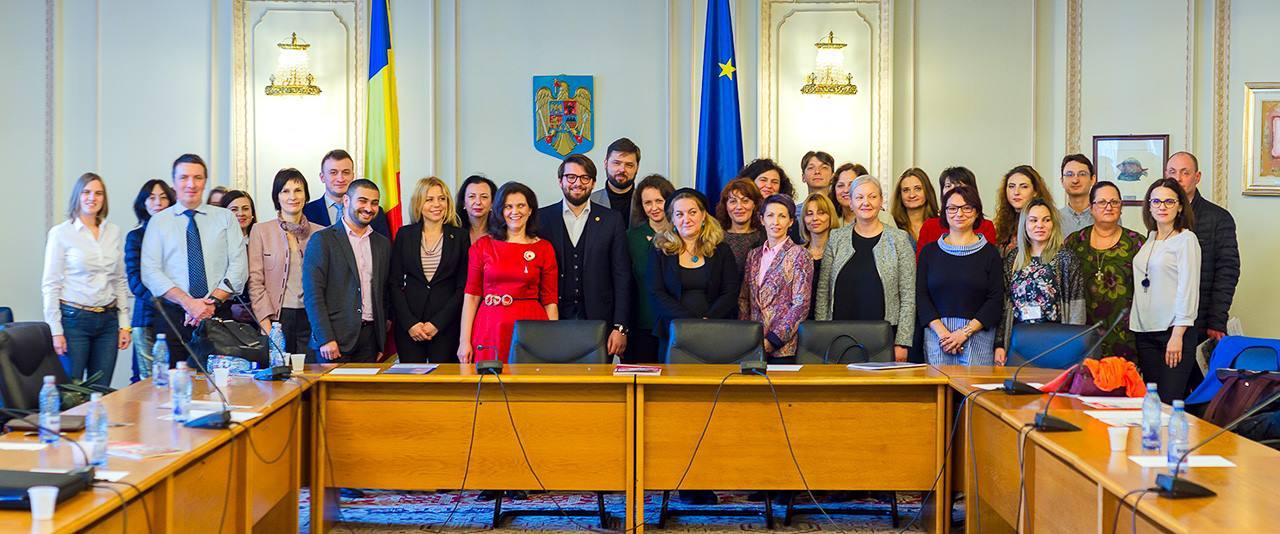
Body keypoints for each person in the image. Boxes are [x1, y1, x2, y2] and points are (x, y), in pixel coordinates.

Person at [141, 154, 247, 365]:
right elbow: (150, 272)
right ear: (173, 183)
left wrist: (210, 304)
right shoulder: (159, 222)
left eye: (197, 178)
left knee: (223, 380)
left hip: (218, 313)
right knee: (174, 381)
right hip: (173, 317)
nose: (191, 184)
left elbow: (239, 266)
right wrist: (189, 304)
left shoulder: (225, 218)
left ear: (205, 181)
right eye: (184, 177)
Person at [41, 173, 131, 387]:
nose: (92, 198)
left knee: (100, 389)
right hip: (74, 321)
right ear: (77, 196)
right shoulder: (61, 233)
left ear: (104, 198)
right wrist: (55, 330)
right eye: (87, 192)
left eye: (98, 193)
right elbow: (50, 284)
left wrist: (124, 325)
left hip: (108, 321)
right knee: (72, 391)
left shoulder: (113, 232)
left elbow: (119, 280)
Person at [540, 154, 632, 357]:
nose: (578, 183)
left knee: (597, 378)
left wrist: (620, 327)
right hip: (553, 319)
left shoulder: (611, 220)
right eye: (571, 177)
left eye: (585, 178)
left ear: (593, 183)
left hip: (600, 321)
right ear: (560, 181)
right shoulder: (541, 219)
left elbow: (622, 275)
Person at [814, 177, 915, 361]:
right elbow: (823, 292)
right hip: (838, 336)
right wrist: (821, 333)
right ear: (851, 203)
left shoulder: (899, 239)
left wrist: (902, 342)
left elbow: (908, 296)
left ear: (881, 201)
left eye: (872, 196)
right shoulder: (836, 238)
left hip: (884, 338)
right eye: (859, 197)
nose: (866, 202)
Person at [458, 182, 558, 363]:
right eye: (508, 207)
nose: (515, 212)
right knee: (489, 378)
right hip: (490, 327)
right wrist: (464, 341)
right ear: (500, 211)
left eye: (521, 206)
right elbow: (471, 296)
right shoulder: (482, 246)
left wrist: (552, 339)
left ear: (530, 210)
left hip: (531, 327)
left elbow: (550, 300)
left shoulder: (544, 248)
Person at [302, 179, 392, 363]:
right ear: (346, 201)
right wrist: (325, 338)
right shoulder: (322, 240)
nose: (369, 208)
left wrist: (380, 341)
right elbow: (313, 294)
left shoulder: (382, 244)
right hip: (333, 341)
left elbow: (384, 292)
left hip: (370, 340)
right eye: (363, 201)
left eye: (374, 203)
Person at [1130, 178, 1201, 402]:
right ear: (1149, 207)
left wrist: (1177, 335)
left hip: (1173, 332)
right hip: (1145, 332)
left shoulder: (1186, 239)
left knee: (1169, 401)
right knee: (1153, 401)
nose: (1162, 206)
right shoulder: (1150, 239)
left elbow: (1188, 289)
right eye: (1156, 201)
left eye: (1169, 201)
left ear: (1180, 206)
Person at [916, 186, 1004, 366]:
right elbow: (921, 297)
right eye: (952, 208)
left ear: (977, 212)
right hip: (937, 337)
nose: (959, 213)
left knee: (974, 385)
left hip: (977, 336)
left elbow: (995, 300)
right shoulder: (929, 252)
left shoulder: (990, 253)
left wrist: (964, 333)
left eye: (967, 208)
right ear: (944, 212)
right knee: (939, 385)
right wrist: (944, 334)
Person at [651, 189, 741, 359]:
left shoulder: (722, 250)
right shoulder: (661, 251)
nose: (686, 219)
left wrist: (707, 320)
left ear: (703, 216)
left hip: (715, 330)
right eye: (679, 214)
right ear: (672, 220)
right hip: (673, 331)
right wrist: (689, 322)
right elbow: (656, 293)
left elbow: (730, 291)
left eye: (692, 212)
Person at [994, 198, 1087, 363]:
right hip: (1018, 344)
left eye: (1046, 220)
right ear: (1024, 224)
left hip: (1055, 343)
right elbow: (1004, 305)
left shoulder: (1066, 258)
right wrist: (1000, 344)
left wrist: (1074, 347)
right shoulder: (1013, 258)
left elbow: (1076, 309)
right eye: (1033, 220)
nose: (1040, 225)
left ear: (1053, 224)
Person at [389, 177, 470, 363]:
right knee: (412, 379)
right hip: (410, 327)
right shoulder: (404, 235)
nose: (437, 204)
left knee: (443, 379)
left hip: (446, 327)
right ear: (419, 203)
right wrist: (410, 323)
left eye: (442, 199)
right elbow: (394, 283)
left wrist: (437, 323)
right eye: (429, 199)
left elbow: (462, 287)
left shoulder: (460, 237)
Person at [1063, 181, 1145, 362]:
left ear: (1121, 207)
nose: (1109, 207)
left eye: (1114, 202)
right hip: (1083, 332)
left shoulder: (1137, 243)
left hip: (1125, 333)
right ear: (1091, 208)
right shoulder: (1074, 242)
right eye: (1102, 202)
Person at [1166, 152, 1239, 353]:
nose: (1178, 178)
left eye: (1185, 173)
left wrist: (1217, 320)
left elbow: (1228, 271)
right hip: (1165, 319)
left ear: (1197, 177)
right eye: (1172, 172)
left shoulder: (1218, 218)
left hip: (1202, 319)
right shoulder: (1160, 216)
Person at [246, 169, 324, 354]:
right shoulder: (260, 231)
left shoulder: (322, 233)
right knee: (279, 370)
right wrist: (266, 324)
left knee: (311, 369)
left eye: (298, 190)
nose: (292, 197)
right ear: (277, 197)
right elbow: (255, 282)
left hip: (312, 318)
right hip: (276, 319)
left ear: (305, 195)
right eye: (285, 191)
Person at [739, 195, 812, 362]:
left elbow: (801, 305)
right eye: (770, 215)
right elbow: (744, 298)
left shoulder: (800, 255)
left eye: (782, 216)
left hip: (783, 347)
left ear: (791, 221)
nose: (776, 222)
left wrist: (773, 340)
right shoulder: (753, 255)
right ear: (762, 219)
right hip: (753, 344)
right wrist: (746, 335)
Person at [125, 179, 175, 381]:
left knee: (176, 376)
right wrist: (165, 298)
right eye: (152, 198)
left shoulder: (178, 235)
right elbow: (135, 281)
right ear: (143, 203)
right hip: (147, 316)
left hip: (177, 317)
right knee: (147, 382)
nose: (158, 203)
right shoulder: (135, 237)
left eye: (163, 197)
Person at [626, 175, 675, 363]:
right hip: (641, 324)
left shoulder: (682, 233)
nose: (653, 208)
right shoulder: (631, 237)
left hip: (675, 324)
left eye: (659, 201)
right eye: (647, 203)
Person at [302, 149, 391, 237]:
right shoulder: (306, 212)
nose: (340, 179)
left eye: (346, 172)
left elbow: (383, 245)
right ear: (322, 177)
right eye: (333, 173)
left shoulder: (372, 212)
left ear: (353, 176)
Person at [915, 166, 997, 256]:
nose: (953, 190)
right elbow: (921, 260)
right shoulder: (929, 226)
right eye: (948, 186)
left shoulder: (986, 226)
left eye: (960, 185)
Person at [993, 165, 1054, 255]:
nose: (1016, 192)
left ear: (1035, 191)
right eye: (1011, 186)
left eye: (1024, 187)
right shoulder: (1002, 223)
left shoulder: (1046, 222)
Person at [800, 193, 840, 320]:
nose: (815, 218)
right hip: (802, 323)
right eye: (809, 214)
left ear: (830, 216)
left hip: (833, 320)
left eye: (821, 213)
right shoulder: (796, 254)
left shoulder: (840, 253)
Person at [715, 178, 766, 269]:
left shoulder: (765, 237)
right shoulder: (715, 238)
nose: (739, 207)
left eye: (745, 201)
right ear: (725, 206)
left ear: (755, 205)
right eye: (733, 201)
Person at [589, 137, 641, 223]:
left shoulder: (647, 202)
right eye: (616, 163)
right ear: (606, 164)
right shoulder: (590, 201)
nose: (622, 169)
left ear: (637, 168)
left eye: (629, 165)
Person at [890, 167, 939, 251]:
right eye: (906, 190)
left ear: (927, 191)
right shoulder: (892, 226)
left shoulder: (940, 225)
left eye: (917, 189)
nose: (912, 195)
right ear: (900, 195)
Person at [1058, 154, 1097, 235]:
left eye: (1082, 174)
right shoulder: (1054, 218)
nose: (1075, 180)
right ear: (1062, 181)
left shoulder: (1106, 215)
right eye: (1069, 174)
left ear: (1093, 179)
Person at [456, 175, 497, 244]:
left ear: (492, 203)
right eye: (472, 196)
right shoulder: (453, 233)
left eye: (484, 197)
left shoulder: (501, 234)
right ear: (463, 202)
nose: (478, 202)